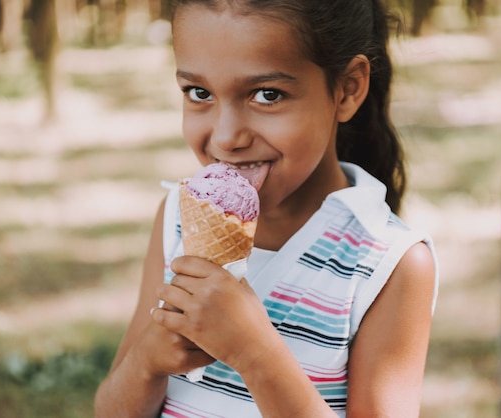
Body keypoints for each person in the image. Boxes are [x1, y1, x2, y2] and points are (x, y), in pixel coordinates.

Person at [94, 0, 438, 416]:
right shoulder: (176, 218)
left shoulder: (389, 264)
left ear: (347, 88)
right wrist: (146, 360)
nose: (226, 137)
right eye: (199, 93)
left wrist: (256, 355)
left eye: (266, 95)